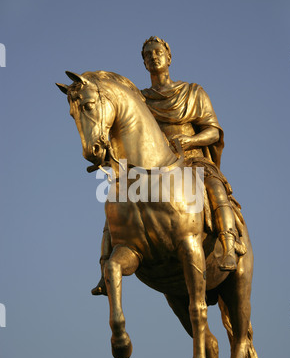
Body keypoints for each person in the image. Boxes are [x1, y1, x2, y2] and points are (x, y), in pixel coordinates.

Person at [91, 36, 245, 295]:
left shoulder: (193, 92)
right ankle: (105, 265)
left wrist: (191, 139)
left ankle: (229, 243)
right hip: (152, 169)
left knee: (214, 187)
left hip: (193, 158)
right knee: (116, 200)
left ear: (168, 57)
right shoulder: (139, 100)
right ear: (144, 63)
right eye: (147, 54)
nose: (153, 56)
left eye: (157, 52)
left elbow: (213, 132)